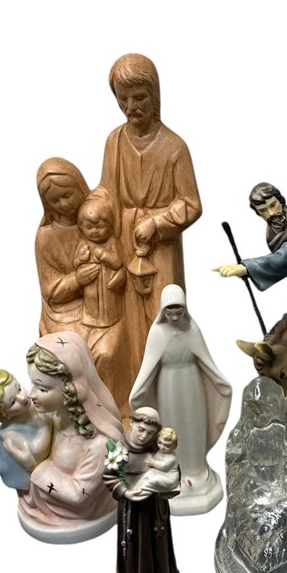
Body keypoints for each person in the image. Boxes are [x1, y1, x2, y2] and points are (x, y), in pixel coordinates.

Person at [100, 53, 202, 372]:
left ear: (154, 96)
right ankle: (136, 387)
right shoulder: (115, 142)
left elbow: (190, 203)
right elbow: (106, 193)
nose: (131, 107)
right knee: (130, 322)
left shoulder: (174, 147)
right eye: (123, 99)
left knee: (165, 315)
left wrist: (157, 222)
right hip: (125, 242)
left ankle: (171, 384)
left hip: (161, 250)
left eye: (139, 98)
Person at [129, 284, 232, 512]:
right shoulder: (157, 333)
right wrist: (137, 393)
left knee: (195, 426)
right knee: (173, 426)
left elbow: (206, 360)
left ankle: (196, 470)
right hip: (168, 386)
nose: (175, 318)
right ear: (163, 311)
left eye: (179, 313)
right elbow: (148, 366)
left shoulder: (191, 329)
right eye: (170, 313)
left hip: (192, 383)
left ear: (185, 309)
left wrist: (221, 383)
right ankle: (177, 471)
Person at [17, 333, 124, 541]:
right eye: (32, 383)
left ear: (71, 391)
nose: (31, 394)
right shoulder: (50, 418)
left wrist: (32, 467)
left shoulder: (100, 445)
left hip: (79, 514)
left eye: (43, 388)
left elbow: (79, 494)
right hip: (41, 507)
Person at [104, 408, 180, 573]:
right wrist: (126, 492)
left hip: (154, 507)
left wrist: (165, 486)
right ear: (132, 423)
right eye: (141, 429)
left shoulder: (159, 447)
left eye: (150, 433)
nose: (145, 436)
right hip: (131, 509)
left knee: (158, 547)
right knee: (131, 546)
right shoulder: (119, 449)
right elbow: (109, 476)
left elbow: (174, 470)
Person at [213, 182, 287, 302]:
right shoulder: (277, 223)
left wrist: (246, 268)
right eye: (263, 210)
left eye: (273, 205)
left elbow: (285, 257)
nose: (271, 213)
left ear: (281, 201)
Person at [71, 188, 132, 415]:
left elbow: (117, 261)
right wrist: (81, 259)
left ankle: (111, 401)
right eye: (89, 227)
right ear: (81, 227)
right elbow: (76, 264)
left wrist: (104, 256)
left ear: (110, 225)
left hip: (110, 305)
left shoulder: (112, 243)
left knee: (107, 350)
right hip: (90, 305)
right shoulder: (83, 245)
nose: (95, 231)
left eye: (100, 225)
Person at [0, 368, 52, 492]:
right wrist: (45, 426)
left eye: (19, 388)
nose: (22, 398)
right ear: (3, 415)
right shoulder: (11, 436)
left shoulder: (30, 404)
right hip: (39, 477)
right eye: (12, 402)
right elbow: (37, 453)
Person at [35, 157, 90, 336]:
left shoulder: (96, 217)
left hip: (104, 302)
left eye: (67, 196)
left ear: (79, 187)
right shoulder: (46, 236)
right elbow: (50, 293)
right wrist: (77, 280)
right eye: (55, 201)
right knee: (74, 342)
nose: (64, 204)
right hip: (65, 311)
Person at [134, 427, 181, 495]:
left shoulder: (172, 458)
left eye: (167, 446)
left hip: (170, 478)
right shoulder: (160, 452)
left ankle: (144, 489)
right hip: (160, 472)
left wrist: (153, 462)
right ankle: (139, 486)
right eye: (160, 442)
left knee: (155, 479)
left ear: (174, 446)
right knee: (148, 473)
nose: (162, 447)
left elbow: (163, 466)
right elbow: (156, 457)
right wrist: (150, 458)